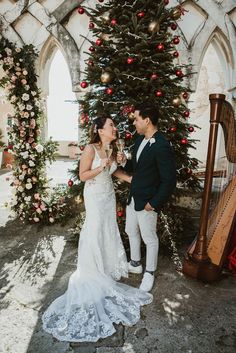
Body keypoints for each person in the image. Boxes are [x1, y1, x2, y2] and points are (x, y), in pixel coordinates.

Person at [42, 115, 152, 342]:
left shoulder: (112, 150)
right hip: (94, 196)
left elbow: (115, 173)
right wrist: (101, 165)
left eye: (114, 125)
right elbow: (83, 176)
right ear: (100, 130)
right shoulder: (91, 149)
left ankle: (107, 264)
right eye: (111, 125)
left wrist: (132, 178)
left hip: (108, 196)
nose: (115, 127)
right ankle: (93, 269)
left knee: (108, 229)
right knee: (94, 229)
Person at [117, 103, 176, 292]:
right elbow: (138, 168)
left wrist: (154, 203)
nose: (134, 122)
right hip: (134, 197)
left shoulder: (162, 145)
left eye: (136, 118)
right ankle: (135, 264)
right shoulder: (141, 139)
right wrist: (125, 162)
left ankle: (149, 273)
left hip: (148, 202)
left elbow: (169, 181)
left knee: (149, 238)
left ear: (147, 120)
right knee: (130, 230)